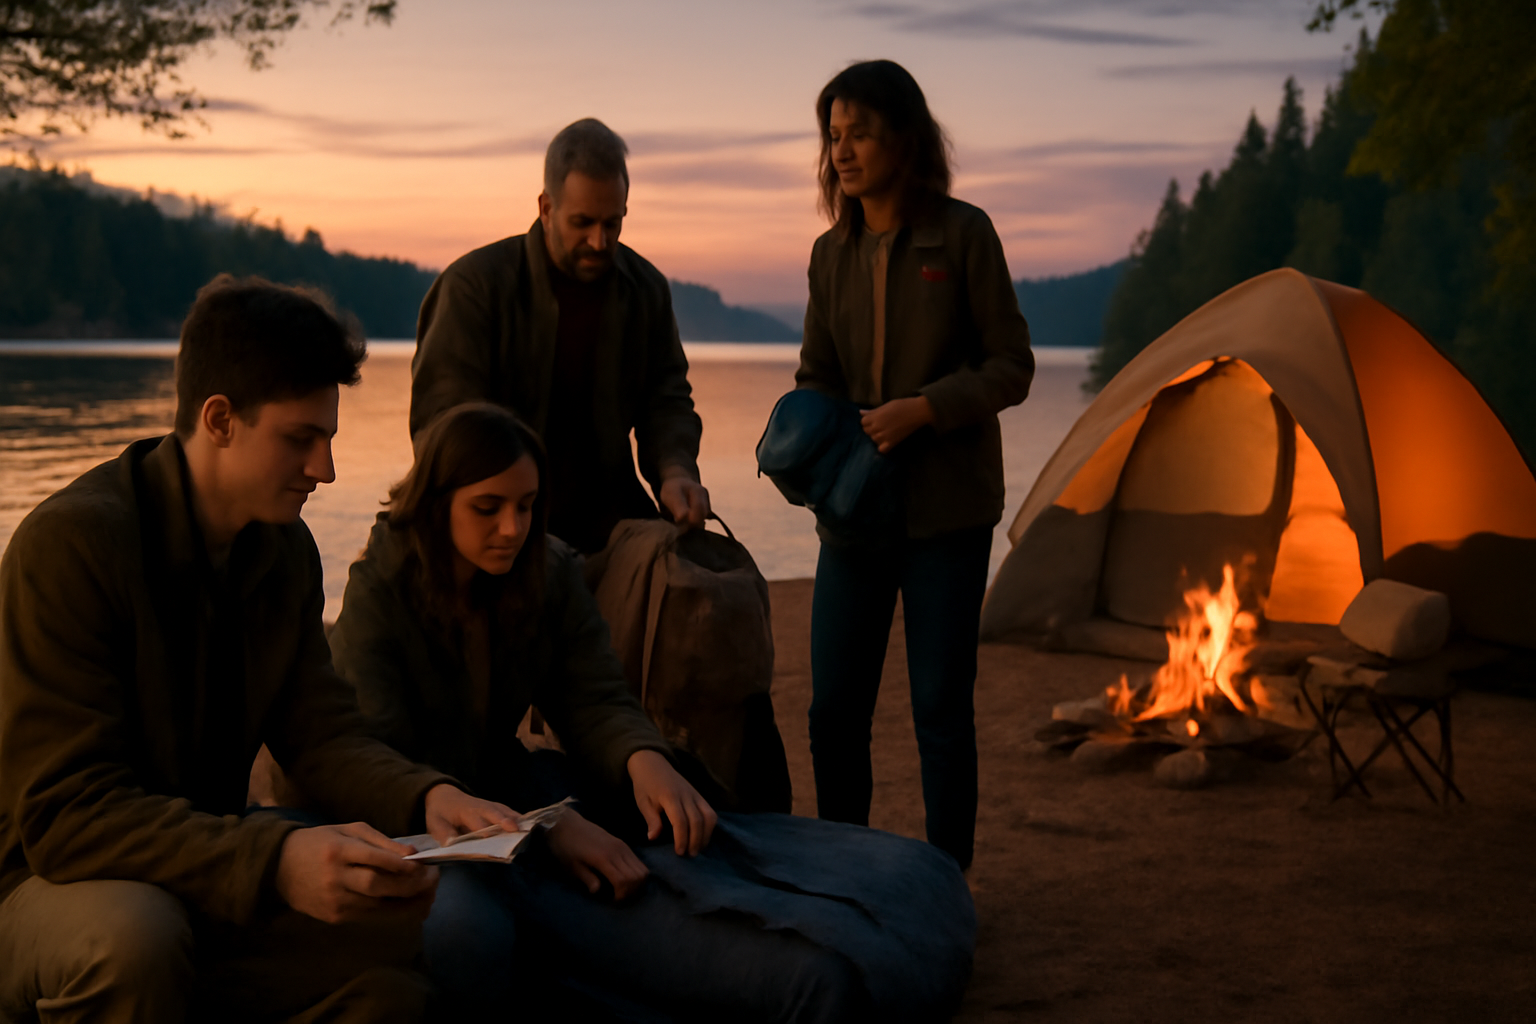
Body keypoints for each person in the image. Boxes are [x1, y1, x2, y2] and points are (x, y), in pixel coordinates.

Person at [328, 402, 976, 1022]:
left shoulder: (543, 570)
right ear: (436, 503)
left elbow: (593, 696)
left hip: (515, 793)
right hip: (420, 822)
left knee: (773, 864)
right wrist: (544, 828)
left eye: (526, 506)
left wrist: (645, 761)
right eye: (487, 508)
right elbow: (375, 759)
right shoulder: (380, 592)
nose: (512, 528)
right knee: (473, 933)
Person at [0, 276, 529, 1024]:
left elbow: (323, 736)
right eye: (300, 439)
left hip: (198, 866)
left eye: (330, 438)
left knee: (415, 954)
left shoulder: (283, 553)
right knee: (135, 940)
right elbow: (65, 817)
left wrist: (430, 797)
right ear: (219, 419)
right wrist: (273, 862)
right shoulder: (70, 547)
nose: (326, 469)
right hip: (45, 885)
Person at [796, 60, 1035, 871]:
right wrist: (805, 440)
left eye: (860, 132)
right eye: (835, 137)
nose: (845, 152)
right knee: (833, 715)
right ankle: (847, 875)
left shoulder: (964, 235)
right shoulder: (831, 255)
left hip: (948, 516)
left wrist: (927, 408)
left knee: (939, 711)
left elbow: (1013, 366)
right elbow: (817, 378)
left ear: (905, 136)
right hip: (853, 519)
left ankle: (945, 884)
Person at [410, 117, 709, 555]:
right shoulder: (473, 287)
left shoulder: (646, 290)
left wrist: (677, 470)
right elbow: (442, 426)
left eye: (613, 223)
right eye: (583, 222)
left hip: (610, 520)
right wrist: (508, 517)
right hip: (499, 528)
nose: (599, 241)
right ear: (546, 208)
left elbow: (665, 400)